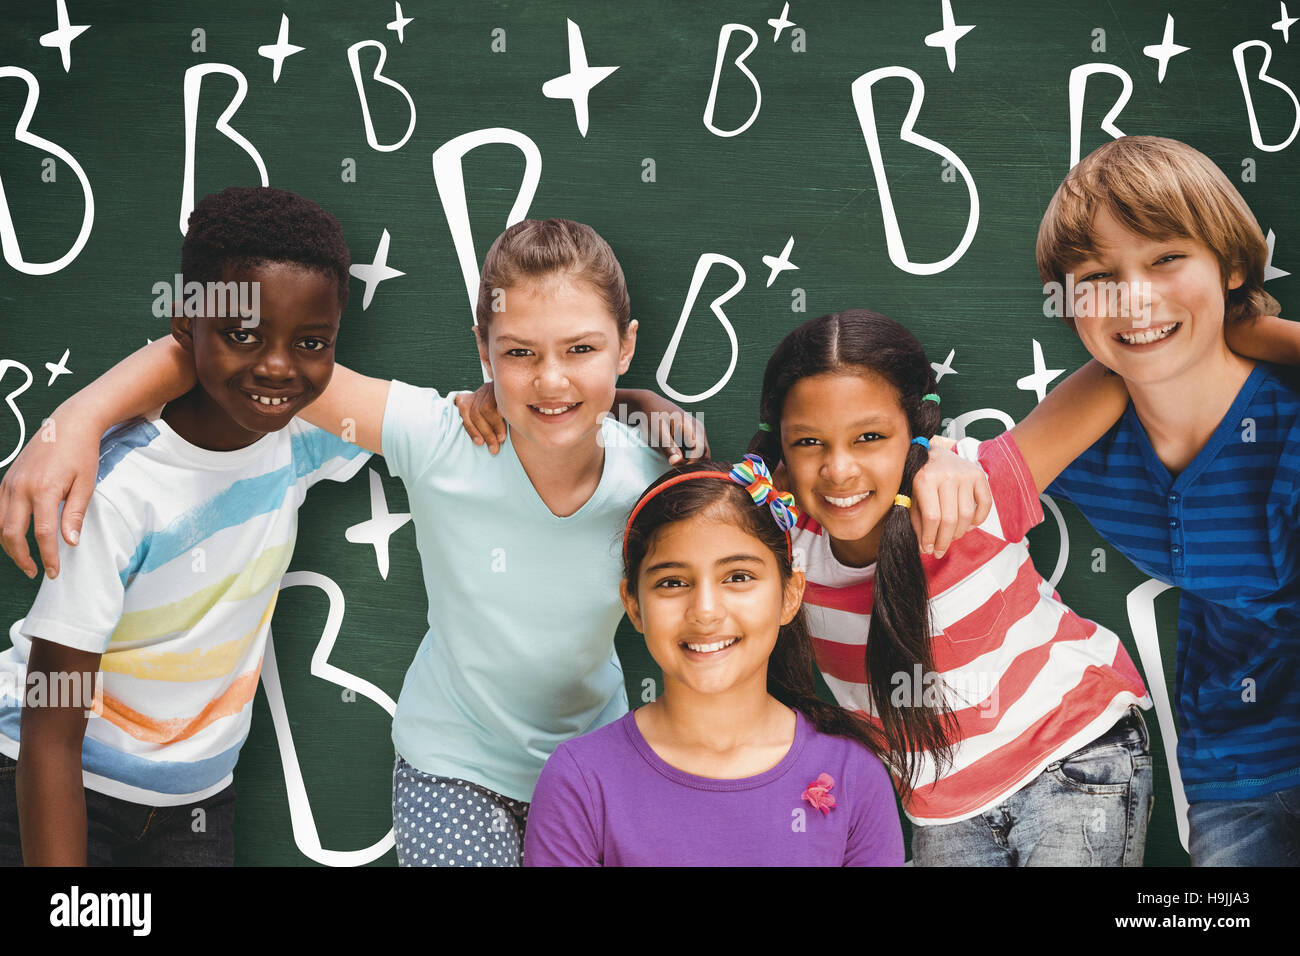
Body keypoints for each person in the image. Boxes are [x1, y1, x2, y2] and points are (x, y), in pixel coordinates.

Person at [0, 218, 704, 867]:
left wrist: (639, 403)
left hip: (598, 761)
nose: (550, 379)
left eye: (581, 349)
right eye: (519, 353)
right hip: (454, 769)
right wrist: (79, 418)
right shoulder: (440, 439)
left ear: (627, 345)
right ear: (482, 351)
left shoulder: (658, 474)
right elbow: (239, 346)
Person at [0, 186, 369, 865]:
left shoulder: (301, 437)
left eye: (310, 342)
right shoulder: (119, 490)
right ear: (183, 324)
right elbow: (50, 726)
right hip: (54, 786)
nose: (279, 366)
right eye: (242, 334)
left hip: (196, 805)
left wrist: (586, 405)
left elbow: (445, 425)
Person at [748, 309, 1153, 866]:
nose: (839, 470)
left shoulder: (971, 491)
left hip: (1071, 754)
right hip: (941, 809)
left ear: (913, 433)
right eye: (810, 442)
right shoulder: (784, 553)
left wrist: (941, 452)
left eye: (870, 437)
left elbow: (1112, 378)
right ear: (783, 460)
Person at [1036, 135, 1300, 866]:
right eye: (1098, 275)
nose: (1135, 297)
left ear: (1233, 264)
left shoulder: (1287, 430)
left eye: (1166, 258)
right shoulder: (1090, 453)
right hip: (1235, 771)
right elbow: (915, 478)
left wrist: (1253, 325)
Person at [524, 457, 904, 866]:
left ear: (790, 595)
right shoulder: (580, 780)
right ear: (634, 605)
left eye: (738, 577)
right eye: (672, 583)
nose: (705, 611)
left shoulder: (854, 776)